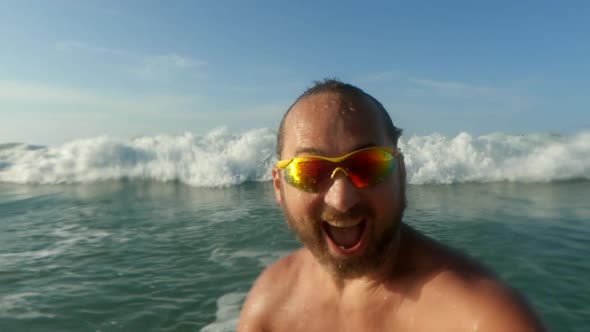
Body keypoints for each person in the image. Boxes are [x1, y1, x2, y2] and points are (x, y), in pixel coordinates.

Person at [238, 79, 546, 331]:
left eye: (368, 165)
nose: (342, 199)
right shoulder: (269, 305)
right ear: (279, 186)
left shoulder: (482, 319)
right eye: (309, 171)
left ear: (400, 173)